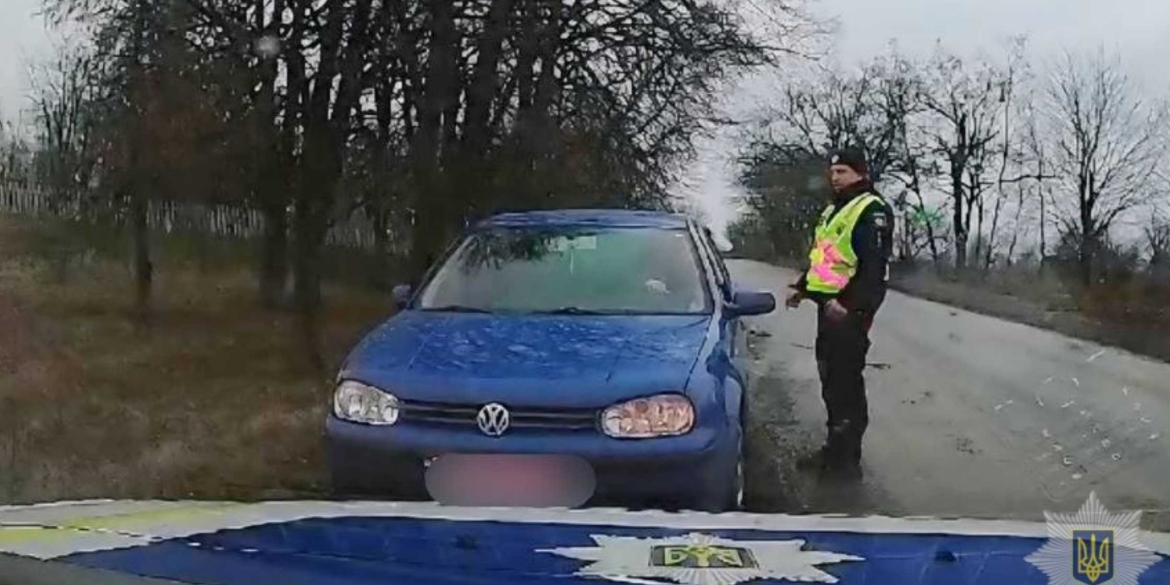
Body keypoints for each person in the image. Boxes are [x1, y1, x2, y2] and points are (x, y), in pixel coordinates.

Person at [786, 148, 894, 478]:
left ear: (860, 173)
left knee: (845, 383)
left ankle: (846, 461)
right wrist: (804, 288)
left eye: (843, 172)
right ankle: (835, 450)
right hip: (829, 307)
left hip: (849, 312)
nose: (835, 178)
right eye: (833, 172)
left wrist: (848, 305)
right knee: (830, 381)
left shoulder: (871, 209)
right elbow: (826, 258)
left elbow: (873, 268)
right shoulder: (835, 209)